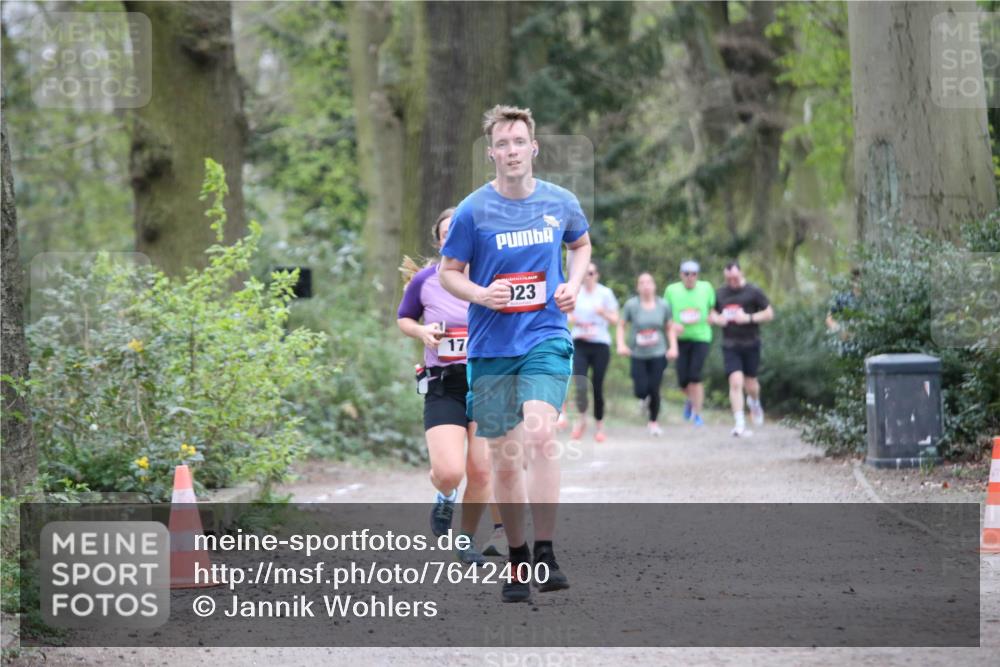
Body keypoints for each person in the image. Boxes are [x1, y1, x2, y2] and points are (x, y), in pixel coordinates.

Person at [439, 104, 591, 603]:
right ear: (492, 154)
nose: (511, 151)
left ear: (534, 148)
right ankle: (520, 558)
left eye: (518, 142)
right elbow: (449, 270)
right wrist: (481, 295)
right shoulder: (472, 210)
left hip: (545, 334)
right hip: (490, 347)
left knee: (542, 433)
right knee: (505, 461)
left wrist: (570, 286)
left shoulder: (561, 201)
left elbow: (582, 245)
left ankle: (546, 552)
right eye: (502, 145)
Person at [397, 207, 491, 565]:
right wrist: (421, 331)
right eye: (446, 233)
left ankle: (466, 539)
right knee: (450, 472)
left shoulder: (491, 276)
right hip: (445, 384)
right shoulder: (425, 279)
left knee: (482, 471)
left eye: (460, 231)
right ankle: (445, 495)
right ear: (439, 242)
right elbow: (404, 317)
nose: (454, 238)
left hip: (487, 383)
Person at [708, 261, 774, 437]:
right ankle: (739, 423)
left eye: (735, 278)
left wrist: (749, 318)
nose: (733, 282)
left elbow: (769, 313)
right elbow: (711, 313)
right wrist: (717, 319)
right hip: (730, 344)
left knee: (750, 383)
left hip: (751, 343)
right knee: (735, 381)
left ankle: (754, 402)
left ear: (741, 273)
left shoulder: (753, 292)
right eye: (729, 279)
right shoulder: (720, 293)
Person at [616, 272, 678, 436]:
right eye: (642, 283)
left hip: (658, 352)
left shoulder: (663, 305)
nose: (646, 286)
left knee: (654, 388)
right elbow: (621, 325)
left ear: (654, 286)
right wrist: (621, 344)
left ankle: (653, 422)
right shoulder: (631, 305)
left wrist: (673, 347)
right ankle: (644, 400)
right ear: (638, 287)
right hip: (638, 353)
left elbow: (669, 327)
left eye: (649, 282)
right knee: (641, 390)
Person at [568, 262, 618, 442]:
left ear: (597, 274)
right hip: (580, 342)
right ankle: (581, 421)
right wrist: (571, 318)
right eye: (586, 273)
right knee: (580, 384)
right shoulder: (576, 292)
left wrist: (603, 312)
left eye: (592, 273)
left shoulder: (605, 293)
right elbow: (566, 313)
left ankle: (599, 425)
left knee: (597, 385)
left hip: (600, 344)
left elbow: (615, 320)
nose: (588, 276)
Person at [663, 260, 715, 427]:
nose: (690, 277)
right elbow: (665, 314)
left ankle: (697, 414)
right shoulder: (672, 290)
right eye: (686, 273)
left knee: (695, 375)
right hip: (680, 339)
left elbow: (713, 308)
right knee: (683, 380)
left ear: (697, 275)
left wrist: (712, 316)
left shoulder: (706, 287)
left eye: (693, 274)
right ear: (681, 274)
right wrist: (672, 324)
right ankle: (690, 400)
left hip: (701, 337)